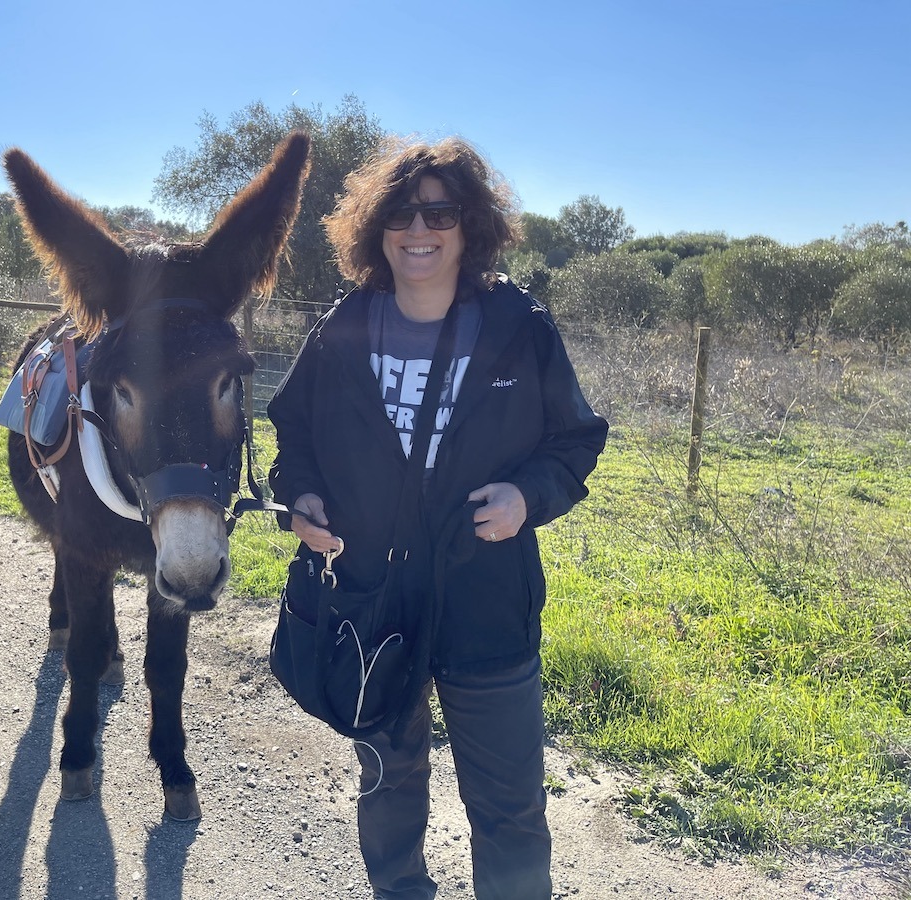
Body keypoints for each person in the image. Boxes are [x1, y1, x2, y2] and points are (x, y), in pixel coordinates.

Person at [267, 136, 608, 900]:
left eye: (438, 211)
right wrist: (303, 500)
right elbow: (294, 431)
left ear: (468, 225)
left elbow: (575, 440)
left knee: (510, 808)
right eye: (399, 211)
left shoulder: (519, 325)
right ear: (373, 227)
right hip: (371, 600)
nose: (417, 229)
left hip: (487, 603)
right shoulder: (343, 326)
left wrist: (528, 497)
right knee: (389, 784)